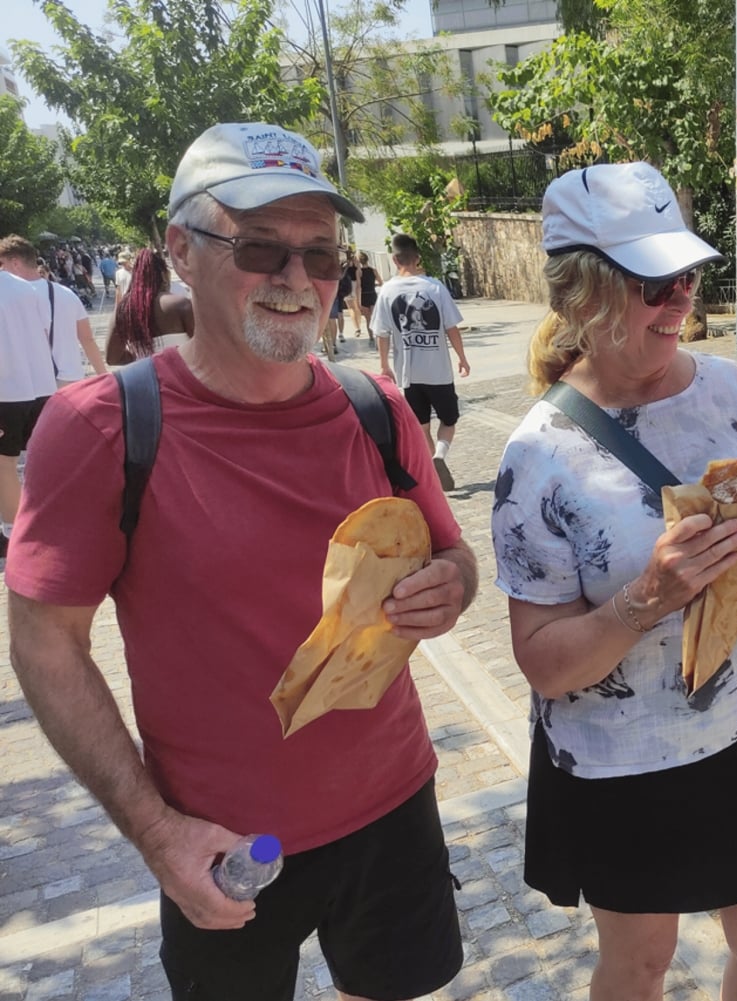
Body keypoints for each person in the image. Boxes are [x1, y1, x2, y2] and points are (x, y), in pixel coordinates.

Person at [4, 121, 477, 1001]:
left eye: (321, 255)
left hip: (393, 806)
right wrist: (155, 831)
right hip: (222, 844)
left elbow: (453, 553)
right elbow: (43, 642)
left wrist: (451, 585)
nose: (297, 279)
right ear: (181, 250)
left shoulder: (375, 408)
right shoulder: (103, 426)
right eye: (260, 247)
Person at [492, 161, 737, 1001]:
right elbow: (544, 662)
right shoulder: (537, 456)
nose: (680, 300)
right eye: (652, 284)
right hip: (620, 762)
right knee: (640, 964)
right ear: (580, 295)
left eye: (686, 277)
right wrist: (646, 600)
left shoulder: (732, 389)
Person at [373, 233, 470, 492]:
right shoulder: (435, 288)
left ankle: (433, 469)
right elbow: (451, 327)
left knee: (421, 425)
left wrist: (384, 365)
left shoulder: (386, 292)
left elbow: (381, 333)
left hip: (408, 374)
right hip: (438, 372)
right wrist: (462, 357)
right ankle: (439, 455)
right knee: (449, 420)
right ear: (417, 258)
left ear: (394, 260)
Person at [0, 235, 109, 383]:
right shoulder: (66, 294)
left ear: (15, 263)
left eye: (2, 264)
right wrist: (104, 378)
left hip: (30, 383)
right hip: (70, 379)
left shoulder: (7, 298)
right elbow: (87, 339)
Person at [0, 268, 55, 562]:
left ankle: (14, 535)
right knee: (41, 459)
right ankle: (49, 521)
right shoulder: (26, 287)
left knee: (4, 465)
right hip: (40, 383)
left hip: (6, 390)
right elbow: (44, 332)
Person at [103, 246, 195, 363]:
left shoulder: (123, 310)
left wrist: (144, 359)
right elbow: (204, 347)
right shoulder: (181, 305)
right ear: (163, 275)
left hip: (147, 373)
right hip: (183, 370)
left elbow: (112, 358)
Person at [352, 250, 381, 340]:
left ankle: (371, 337)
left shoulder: (359, 272)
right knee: (375, 318)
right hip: (372, 294)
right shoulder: (373, 270)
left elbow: (358, 287)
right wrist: (373, 285)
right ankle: (377, 335)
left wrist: (358, 301)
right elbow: (381, 282)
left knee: (368, 319)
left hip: (364, 296)